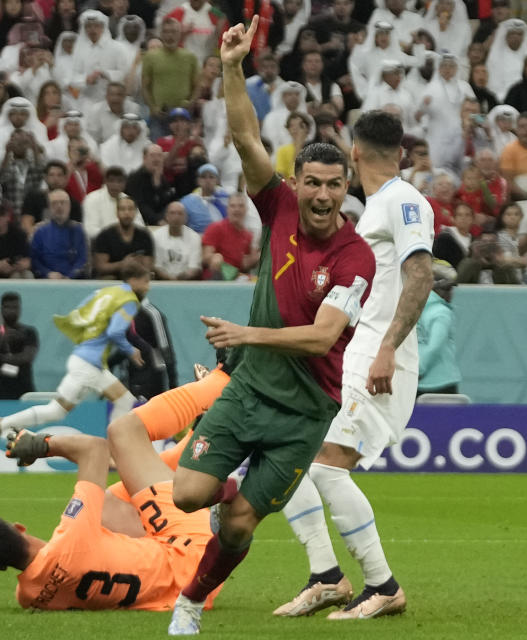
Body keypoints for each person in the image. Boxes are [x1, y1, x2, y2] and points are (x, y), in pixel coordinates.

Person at [166, 18, 377, 635]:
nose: (321, 195)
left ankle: (191, 604)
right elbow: (243, 136)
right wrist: (232, 66)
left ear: (345, 189)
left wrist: (245, 334)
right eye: (312, 182)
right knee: (187, 496)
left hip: (306, 409)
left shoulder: (354, 256)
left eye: (334, 186)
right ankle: (229, 484)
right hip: (252, 388)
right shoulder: (278, 203)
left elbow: (321, 337)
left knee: (237, 527)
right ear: (298, 182)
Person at [273, 109, 434, 622]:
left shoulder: (404, 201)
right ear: (401, 152)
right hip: (355, 353)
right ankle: (326, 577)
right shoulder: (374, 208)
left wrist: (387, 346)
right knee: (288, 454)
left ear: (355, 152)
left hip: (380, 358)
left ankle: (382, 586)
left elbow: (422, 275)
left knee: (321, 463)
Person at [0, 362, 236, 610]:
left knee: (115, 501)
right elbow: (94, 451)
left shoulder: (29, 597)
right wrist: (43, 445)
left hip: (187, 590)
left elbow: (53, 569)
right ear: (19, 527)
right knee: (123, 432)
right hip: (194, 555)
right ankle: (223, 382)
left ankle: (202, 431)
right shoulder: (73, 536)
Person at [0, 262, 151, 447]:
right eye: (145, 281)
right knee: (123, 400)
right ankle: (113, 451)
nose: (148, 286)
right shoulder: (129, 301)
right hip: (90, 364)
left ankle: (2, 424)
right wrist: (131, 350)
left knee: (57, 411)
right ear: (133, 280)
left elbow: (81, 311)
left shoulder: (107, 292)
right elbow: (115, 332)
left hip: (85, 359)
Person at [142, 17, 199, 141]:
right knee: (157, 151)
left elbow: (197, 86)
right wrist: (153, 108)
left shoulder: (190, 57)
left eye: (173, 32)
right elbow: (145, 86)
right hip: (159, 116)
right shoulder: (150, 57)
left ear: (179, 34)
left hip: (183, 116)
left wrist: (190, 104)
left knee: (183, 153)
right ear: (161, 34)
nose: (169, 36)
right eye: (166, 32)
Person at [0, 292, 38, 400]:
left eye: (15, 307)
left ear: (20, 309)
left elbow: (27, 357)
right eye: (8, 307)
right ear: (1, 309)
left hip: (23, 393)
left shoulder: (29, 332)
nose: (12, 311)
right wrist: (0, 342)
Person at [416, 261, 460, 396]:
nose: (451, 293)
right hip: (441, 383)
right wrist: (419, 370)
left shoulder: (415, 310)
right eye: (448, 289)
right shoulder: (441, 313)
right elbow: (435, 346)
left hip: (419, 382)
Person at [30, 189, 89, 279]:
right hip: (46, 280)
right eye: (54, 203)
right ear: (49, 208)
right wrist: (48, 273)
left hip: (74, 280)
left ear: (69, 206)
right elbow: (35, 260)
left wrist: (70, 276)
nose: (59, 206)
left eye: (63, 203)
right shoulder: (40, 231)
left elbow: (82, 259)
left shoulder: (79, 230)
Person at [92, 196, 155, 278]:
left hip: (136, 277)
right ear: (117, 213)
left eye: (130, 209)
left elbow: (148, 266)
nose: (127, 213)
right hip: (112, 278)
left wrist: (135, 266)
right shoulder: (104, 235)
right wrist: (122, 264)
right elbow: (100, 267)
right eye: (122, 209)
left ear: (135, 212)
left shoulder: (144, 236)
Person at [201, 193, 259, 280]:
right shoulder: (216, 227)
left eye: (241, 206)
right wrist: (214, 258)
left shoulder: (248, 235)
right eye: (233, 206)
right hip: (215, 276)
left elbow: (243, 265)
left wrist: (258, 256)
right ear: (227, 209)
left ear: (246, 210)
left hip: (236, 277)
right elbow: (205, 257)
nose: (237, 209)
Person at [83, 166, 145, 239]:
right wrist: (115, 237)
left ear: (125, 183)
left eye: (119, 181)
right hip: (100, 246)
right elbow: (90, 230)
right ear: (105, 181)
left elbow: (140, 226)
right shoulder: (92, 199)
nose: (115, 185)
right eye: (111, 181)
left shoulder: (128, 200)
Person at [153, 202, 203, 280]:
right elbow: (156, 266)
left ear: (186, 218)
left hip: (187, 283)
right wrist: (170, 279)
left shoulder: (194, 237)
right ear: (166, 216)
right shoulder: (156, 236)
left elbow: (194, 268)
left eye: (180, 214)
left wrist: (179, 280)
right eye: (172, 213)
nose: (176, 217)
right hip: (162, 281)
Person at [181, 163, 231, 234]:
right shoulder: (187, 201)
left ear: (217, 180)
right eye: (203, 177)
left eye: (211, 177)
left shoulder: (227, 198)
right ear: (198, 180)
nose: (207, 180)